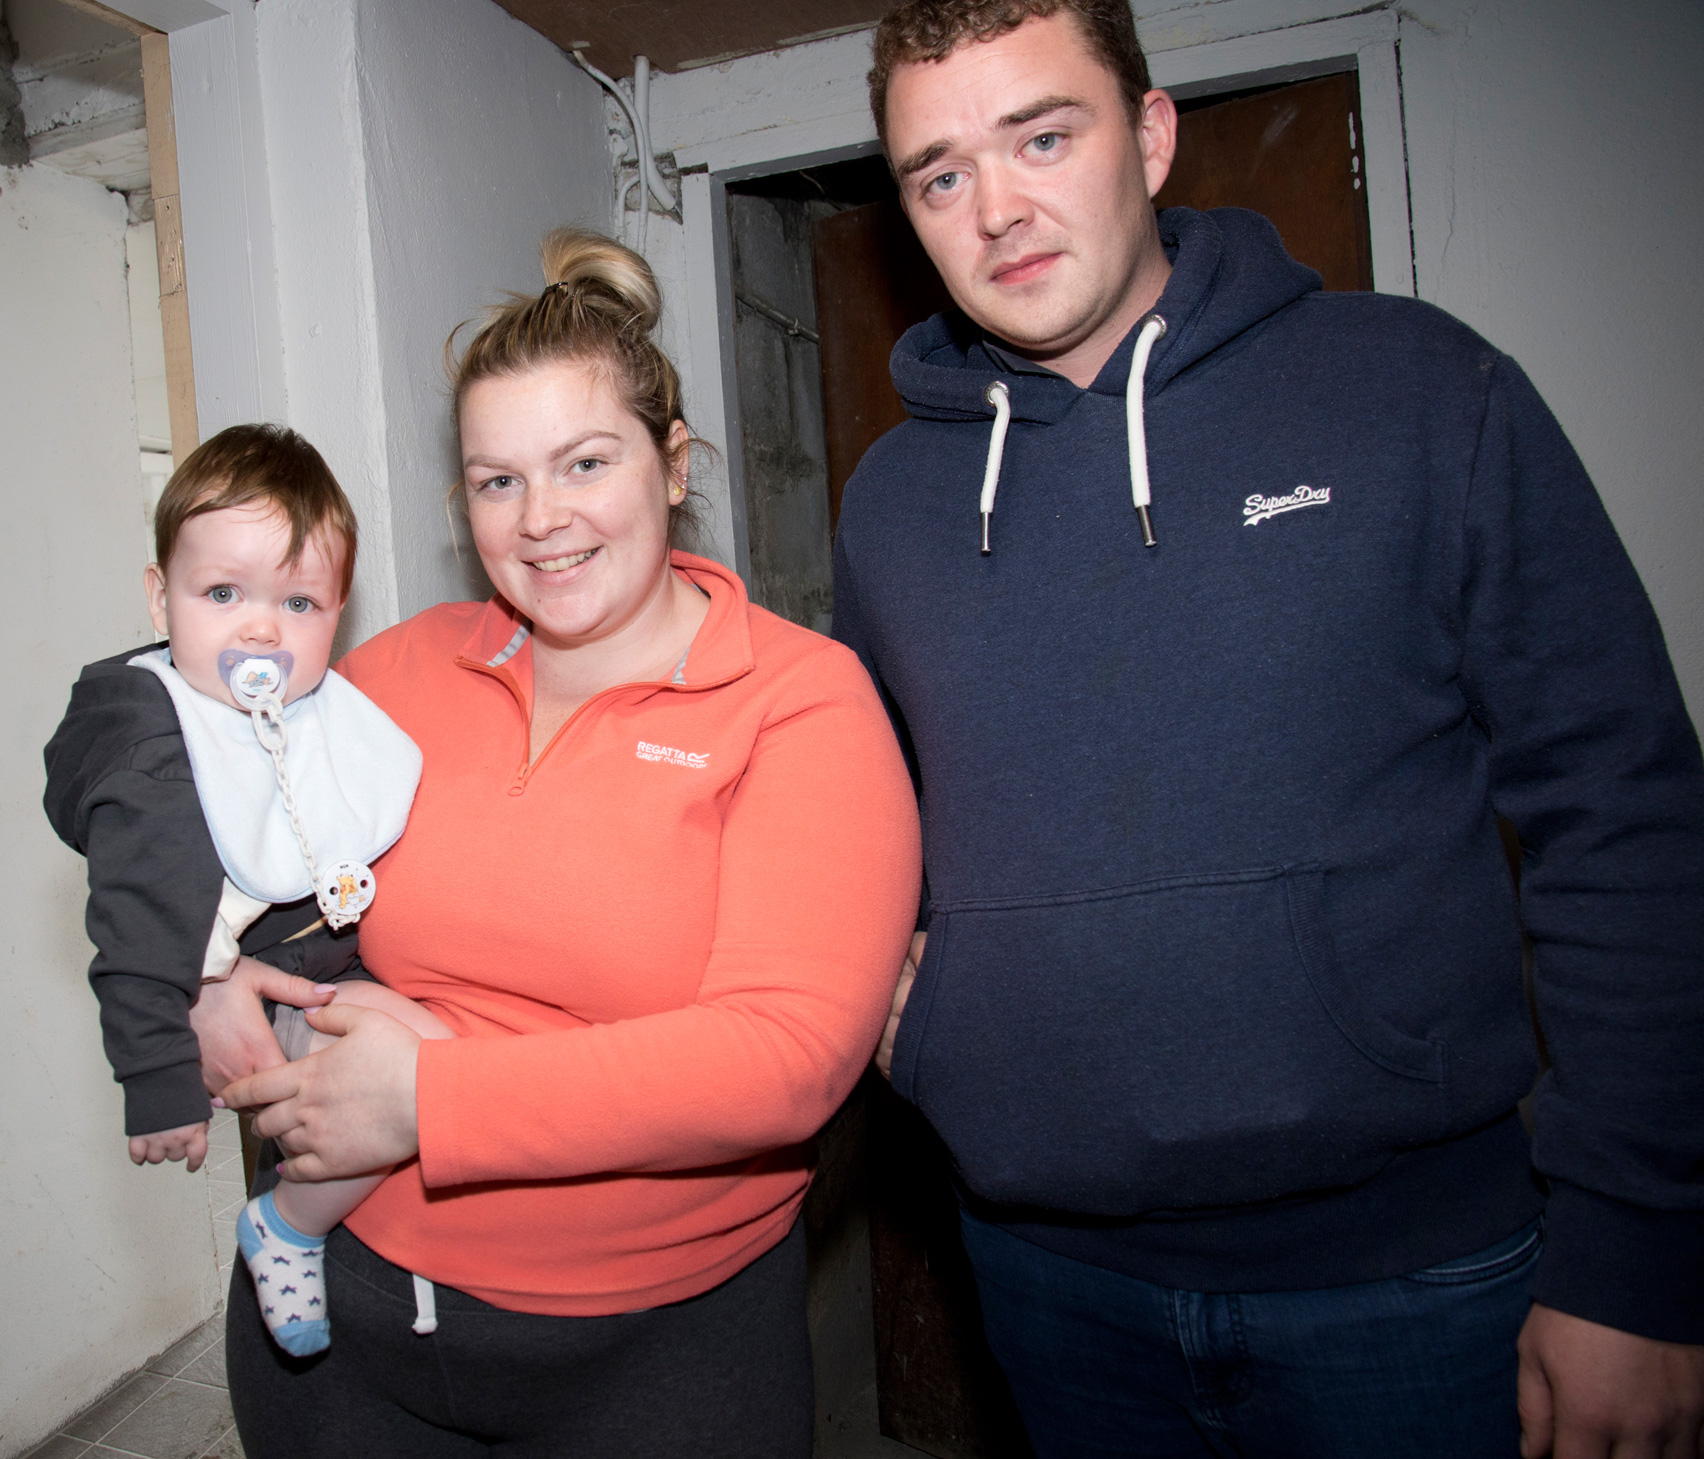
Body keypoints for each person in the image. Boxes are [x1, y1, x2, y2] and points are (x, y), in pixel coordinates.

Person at [834, 1, 1704, 1454]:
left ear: (1151, 135)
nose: (996, 210)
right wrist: (898, 1005)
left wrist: (1639, 1251)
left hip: (1418, 1279)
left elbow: (1624, 819)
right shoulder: (891, 503)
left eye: (1041, 138)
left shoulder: (1419, 390)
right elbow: (867, 819)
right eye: (940, 173)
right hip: (1048, 1277)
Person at [199, 230, 921, 1458]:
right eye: (497, 481)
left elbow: (786, 1057)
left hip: (655, 1355)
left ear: (673, 462)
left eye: (585, 462)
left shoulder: (798, 702)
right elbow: (209, 791)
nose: (542, 520)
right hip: (340, 1325)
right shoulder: (401, 671)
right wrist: (205, 970)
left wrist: (429, 1101)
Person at [43, 424, 452, 1359]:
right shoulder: (157, 753)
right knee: (431, 1071)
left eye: (298, 602)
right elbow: (136, 932)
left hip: (320, 975)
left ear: (338, 612)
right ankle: (289, 1225)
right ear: (161, 597)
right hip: (264, 1000)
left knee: (444, 1065)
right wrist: (157, 1081)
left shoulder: (319, 713)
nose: (262, 629)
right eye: (223, 593)